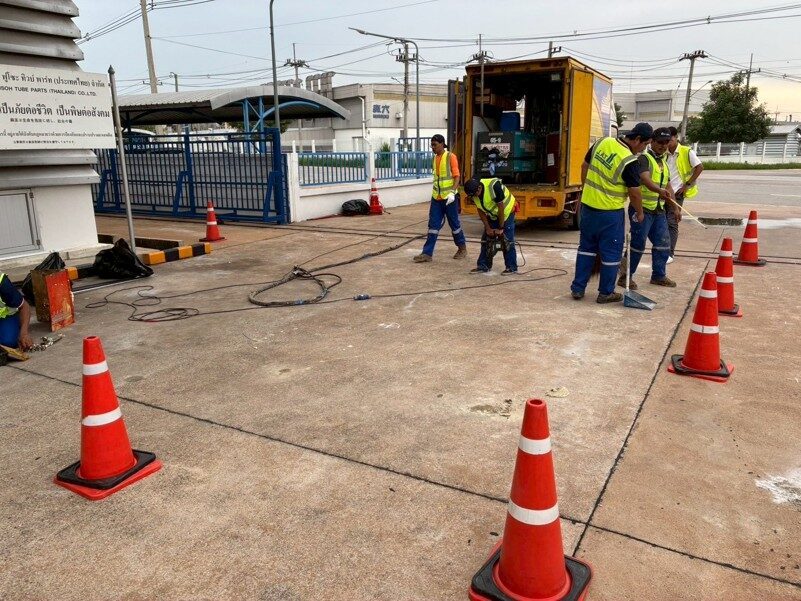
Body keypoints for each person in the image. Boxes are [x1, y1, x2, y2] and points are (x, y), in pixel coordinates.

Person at [571, 122, 652, 303]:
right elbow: (634, 192)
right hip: (610, 213)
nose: (643, 149)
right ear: (637, 139)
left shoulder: (603, 142)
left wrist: (587, 191)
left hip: (588, 208)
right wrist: (639, 212)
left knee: (586, 249)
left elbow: (584, 166)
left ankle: (578, 288)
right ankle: (606, 293)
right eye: (645, 145)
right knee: (611, 254)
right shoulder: (629, 160)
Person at [617, 127, 682, 290]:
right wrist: (659, 191)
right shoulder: (644, 159)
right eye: (660, 142)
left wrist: (675, 207)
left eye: (666, 142)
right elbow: (644, 179)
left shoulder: (663, 162)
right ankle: (625, 277)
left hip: (658, 210)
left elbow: (668, 185)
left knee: (663, 243)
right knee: (637, 244)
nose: (663, 145)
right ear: (652, 142)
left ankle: (658, 275)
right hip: (642, 209)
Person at [413, 134, 467, 262]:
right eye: (431, 145)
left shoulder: (450, 157)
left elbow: (457, 177)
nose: (432, 147)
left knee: (455, 225)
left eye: (434, 145)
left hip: (449, 199)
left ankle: (462, 248)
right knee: (433, 226)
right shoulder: (434, 158)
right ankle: (427, 253)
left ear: (442, 144)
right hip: (436, 198)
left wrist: (452, 192)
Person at [462, 177, 517, 274]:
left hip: (507, 211)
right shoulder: (474, 193)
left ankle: (511, 267)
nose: (475, 197)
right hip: (493, 214)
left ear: (479, 188)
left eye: (475, 194)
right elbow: (480, 210)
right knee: (486, 241)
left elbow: (501, 208)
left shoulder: (494, 186)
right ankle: (483, 266)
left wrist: (501, 228)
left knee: (507, 241)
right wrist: (487, 228)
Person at [665, 126, 704, 263]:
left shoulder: (686, 151)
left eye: (669, 139)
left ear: (676, 138)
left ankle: (670, 253)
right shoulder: (663, 151)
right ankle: (663, 249)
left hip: (678, 192)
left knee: (672, 222)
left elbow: (699, 167)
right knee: (662, 222)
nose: (667, 142)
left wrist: (687, 184)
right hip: (664, 191)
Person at [0, 272, 33, 351]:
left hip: (6, 317)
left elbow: (24, 306)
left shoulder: (2, 283)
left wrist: (24, 333)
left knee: (7, 343)